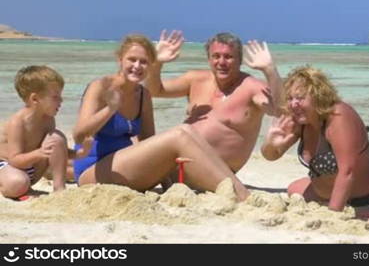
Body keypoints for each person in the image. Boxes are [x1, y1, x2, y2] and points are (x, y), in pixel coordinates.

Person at [72, 34, 249, 200]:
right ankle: (242, 196)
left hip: (125, 171)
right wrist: (110, 109)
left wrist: (167, 185)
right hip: (92, 173)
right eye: (132, 60)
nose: (137, 66)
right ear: (120, 60)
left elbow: (149, 143)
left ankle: (235, 189)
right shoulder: (101, 86)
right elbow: (79, 135)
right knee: (180, 133)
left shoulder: (143, 95)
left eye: (144, 62)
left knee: (188, 132)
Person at [145, 31, 282, 173]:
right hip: (175, 166)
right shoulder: (195, 80)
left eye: (228, 57)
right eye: (216, 56)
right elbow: (154, 91)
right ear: (209, 59)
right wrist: (156, 63)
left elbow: (279, 110)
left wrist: (270, 70)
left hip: (216, 173)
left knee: (180, 133)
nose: (221, 62)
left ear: (239, 60)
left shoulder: (251, 87)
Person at [260, 66, 369, 218]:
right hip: (325, 193)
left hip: (362, 194)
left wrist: (332, 215)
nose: (293, 104)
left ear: (318, 95)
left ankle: (364, 209)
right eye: (290, 98)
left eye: (300, 98)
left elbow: (348, 172)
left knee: (303, 192)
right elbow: (270, 156)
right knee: (293, 189)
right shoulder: (300, 119)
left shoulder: (338, 116)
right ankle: (333, 204)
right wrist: (270, 142)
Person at [0, 65, 91, 199]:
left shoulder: (48, 120)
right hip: (7, 166)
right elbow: (15, 160)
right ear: (35, 99)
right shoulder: (18, 122)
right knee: (18, 183)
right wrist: (39, 153)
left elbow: (57, 150)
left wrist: (79, 153)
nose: (61, 100)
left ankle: (59, 188)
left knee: (57, 138)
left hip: (31, 168)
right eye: (55, 97)